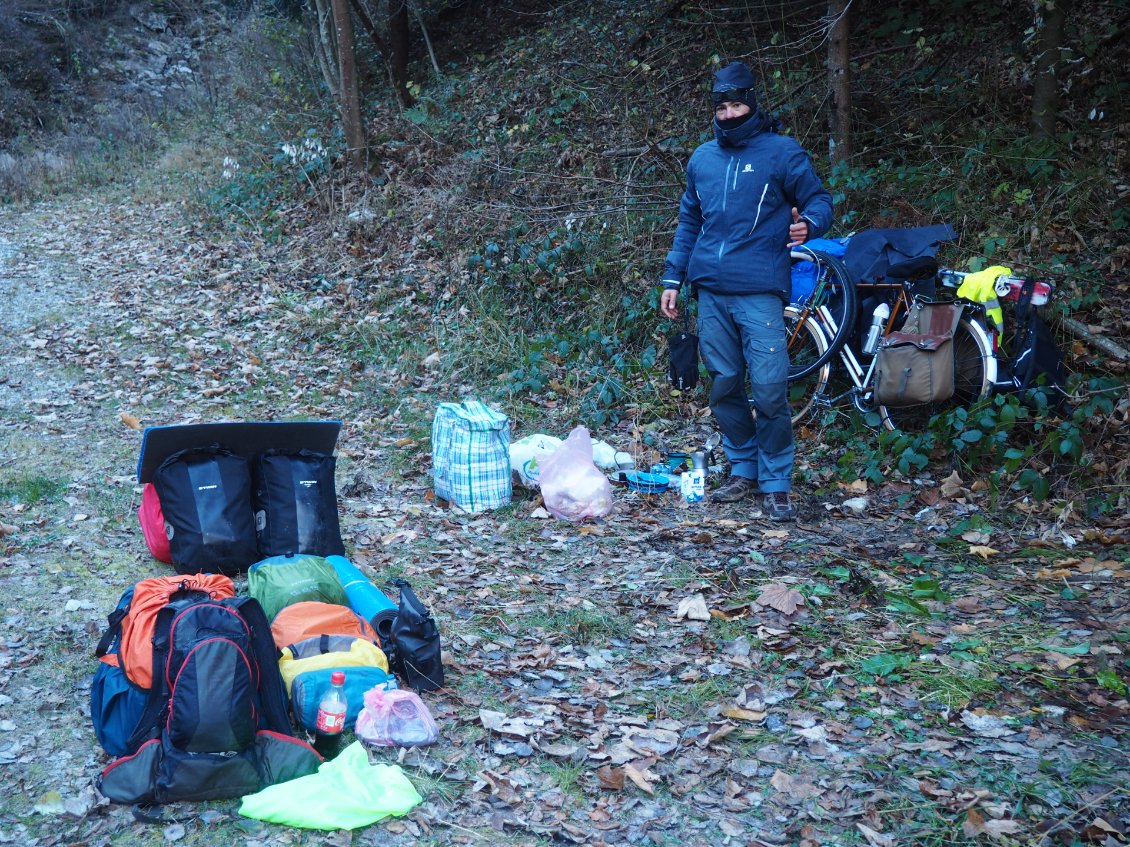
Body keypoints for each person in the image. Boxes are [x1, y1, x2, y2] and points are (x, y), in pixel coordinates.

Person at [660, 60, 833, 521]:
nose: (730, 114)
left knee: (772, 387)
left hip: (760, 289)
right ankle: (743, 468)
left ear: (751, 103)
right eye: (722, 106)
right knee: (725, 385)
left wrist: (809, 224)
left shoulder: (782, 152)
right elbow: (689, 223)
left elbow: (819, 200)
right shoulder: (702, 159)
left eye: (737, 104)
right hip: (710, 291)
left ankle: (776, 481)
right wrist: (673, 278)